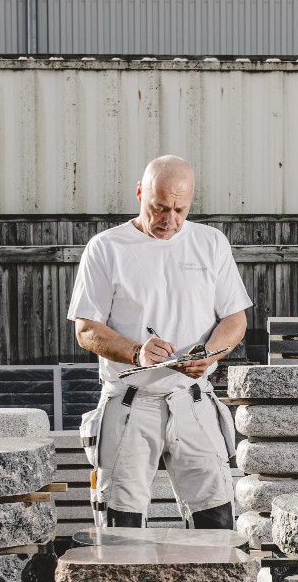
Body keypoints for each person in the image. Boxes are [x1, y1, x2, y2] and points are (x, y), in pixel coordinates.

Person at [67, 156, 250, 529]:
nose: (171, 219)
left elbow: (235, 319)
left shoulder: (210, 243)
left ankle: (210, 569)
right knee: (120, 521)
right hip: (131, 402)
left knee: (216, 517)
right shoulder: (107, 248)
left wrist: (209, 353)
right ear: (140, 193)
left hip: (193, 399)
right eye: (160, 208)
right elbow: (85, 329)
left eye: (180, 210)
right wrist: (136, 352)